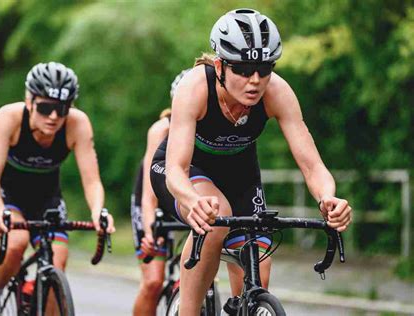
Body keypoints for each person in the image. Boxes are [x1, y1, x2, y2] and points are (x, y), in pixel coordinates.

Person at [150, 8, 352, 316]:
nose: (255, 80)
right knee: (215, 218)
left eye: (264, 68)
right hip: (185, 170)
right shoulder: (195, 88)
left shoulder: (277, 92)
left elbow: (312, 165)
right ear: (220, 65)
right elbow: (176, 169)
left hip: (239, 175)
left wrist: (328, 198)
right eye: (244, 69)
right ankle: (187, 312)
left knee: (259, 266)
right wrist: (192, 199)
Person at [0, 61, 115, 314]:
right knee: (16, 242)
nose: (54, 116)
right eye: (45, 107)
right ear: (29, 101)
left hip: (46, 198)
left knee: (58, 260)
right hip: (5, 193)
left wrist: (98, 211)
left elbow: (92, 180)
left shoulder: (78, 124)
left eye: (62, 109)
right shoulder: (9, 117)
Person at [131, 69, 189, 316]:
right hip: (153, 197)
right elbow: (149, 191)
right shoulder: (160, 130)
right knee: (154, 281)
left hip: (186, 197)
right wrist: (149, 228)